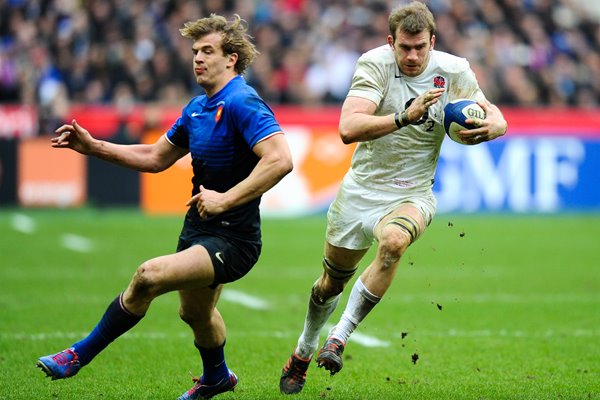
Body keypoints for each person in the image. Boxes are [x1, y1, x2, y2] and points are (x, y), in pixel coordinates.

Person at [36, 14, 293, 400]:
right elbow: (156, 157)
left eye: (208, 51)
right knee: (194, 313)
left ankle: (77, 354)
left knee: (147, 276)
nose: (197, 59)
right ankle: (217, 378)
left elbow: (280, 159)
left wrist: (225, 198)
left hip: (234, 239)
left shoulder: (242, 101)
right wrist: (94, 147)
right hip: (199, 227)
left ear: (232, 59)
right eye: (194, 52)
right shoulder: (197, 108)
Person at [279, 1, 507, 395]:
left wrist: (497, 125)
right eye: (405, 47)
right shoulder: (374, 65)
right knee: (328, 286)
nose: (413, 56)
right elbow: (348, 128)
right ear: (391, 43)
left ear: (433, 42)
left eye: (421, 47)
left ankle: (340, 337)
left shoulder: (454, 70)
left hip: (413, 192)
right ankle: (304, 347)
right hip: (360, 192)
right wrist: (405, 115)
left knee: (394, 243)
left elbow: (491, 111)